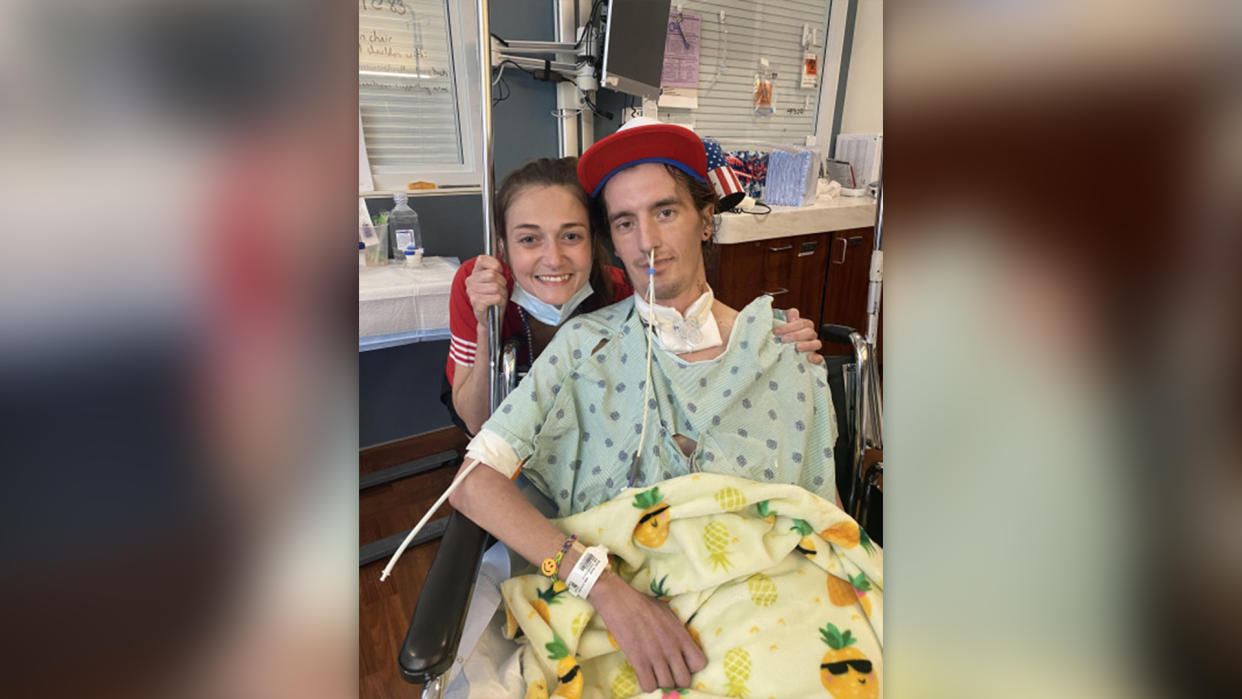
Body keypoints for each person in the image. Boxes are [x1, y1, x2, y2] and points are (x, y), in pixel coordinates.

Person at [446, 121, 841, 694]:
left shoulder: (782, 351)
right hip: (615, 607)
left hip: (771, 610)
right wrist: (602, 585)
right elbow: (472, 480)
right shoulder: (583, 346)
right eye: (625, 222)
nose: (646, 241)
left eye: (666, 212)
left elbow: (821, 525)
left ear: (706, 220)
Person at [443, 156, 824, 436]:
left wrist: (768, 336)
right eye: (529, 239)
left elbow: (695, 334)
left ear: (596, 241)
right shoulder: (480, 288)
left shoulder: (623, 295)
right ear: (503, 246)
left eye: (571, 236)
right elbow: (478, 423)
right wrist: (484, 327)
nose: (553, 258)